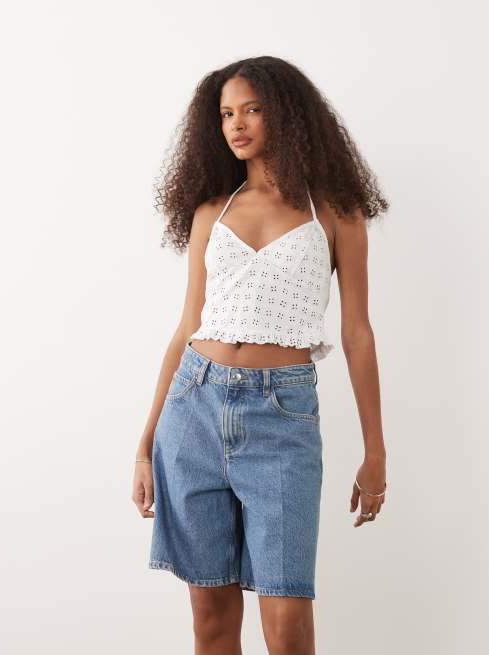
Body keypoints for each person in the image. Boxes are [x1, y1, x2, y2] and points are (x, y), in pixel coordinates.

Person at [132, 55, 389, 654]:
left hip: (283, 418)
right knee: (211, 619)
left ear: (289, 115)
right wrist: (145, 445)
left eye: (252, 109)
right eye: (226, 114)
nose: (237, 124)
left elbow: (358, 334)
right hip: (193, 408)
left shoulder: (335, 212)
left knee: (288, 625)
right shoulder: (211, 211)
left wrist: (376, 451)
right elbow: (186, 328)